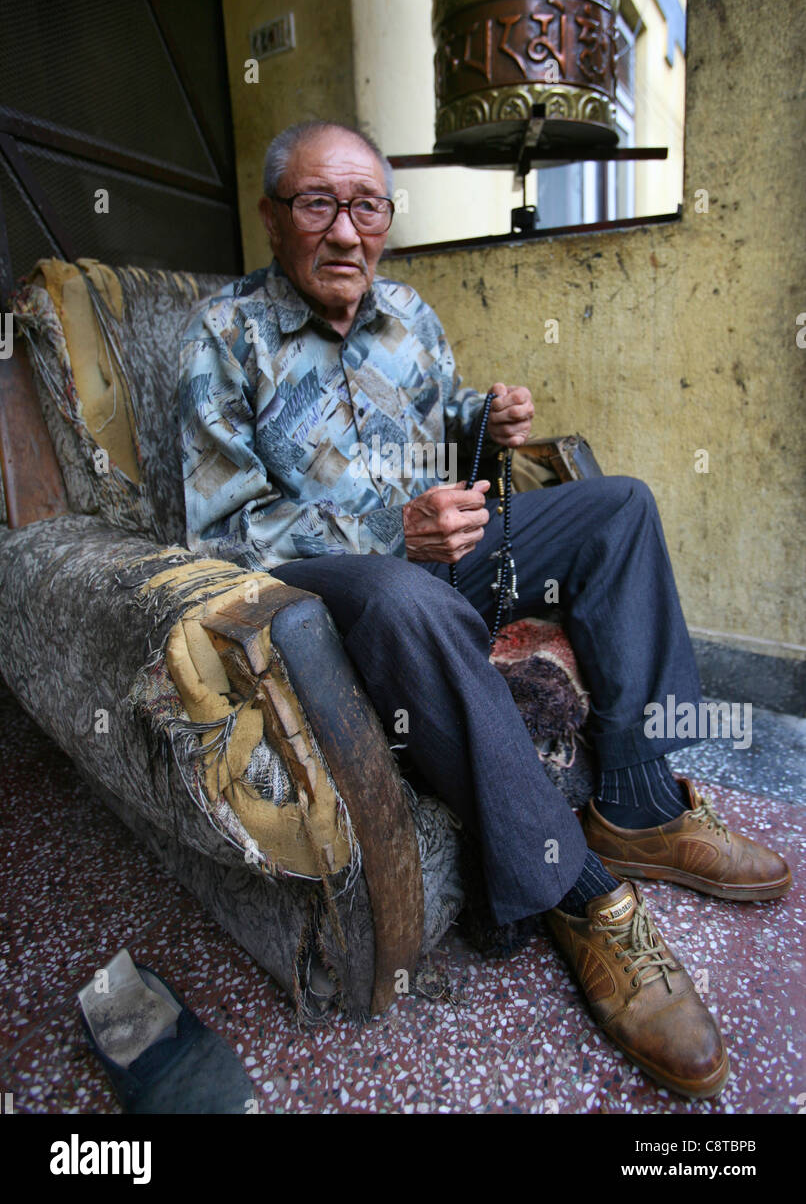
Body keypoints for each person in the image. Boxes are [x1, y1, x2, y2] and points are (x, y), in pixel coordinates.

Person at [178, 119, 790, 1100]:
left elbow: (440, 433)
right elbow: (217, 527)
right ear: (270, 216)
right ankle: (581, 895)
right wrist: (390, 527)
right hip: (332, 583)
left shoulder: (407, 315)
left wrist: (480, 419)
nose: (345, 231)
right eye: (316, 204)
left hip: (432, 553)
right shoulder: (224, 334)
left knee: (617, 506)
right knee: (396, 589)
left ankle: (631, 800)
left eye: (366, 205)